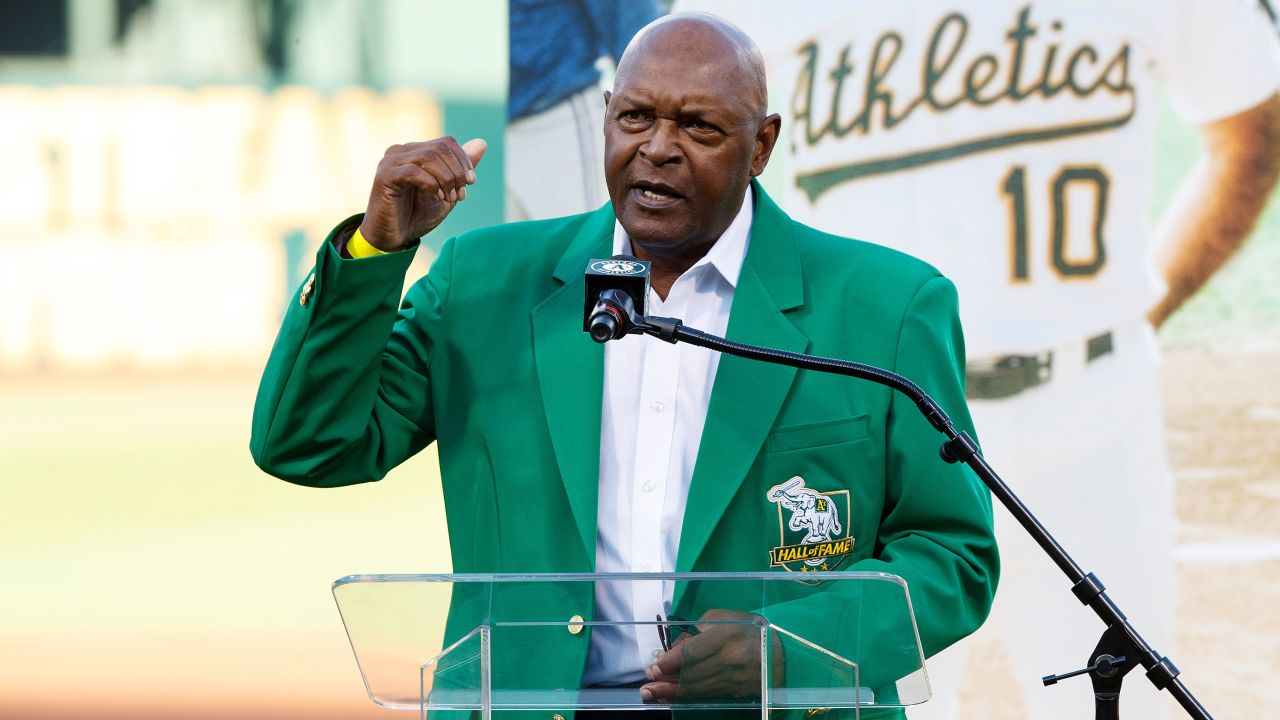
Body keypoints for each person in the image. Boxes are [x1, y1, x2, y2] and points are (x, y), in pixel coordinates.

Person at [251, 13, 998, 717]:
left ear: (761, 144)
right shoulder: (482, 282)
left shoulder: (886, 307)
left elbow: (951, 554)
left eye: (698, 126)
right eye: (635, 117)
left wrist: (791, 647)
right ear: (606, 115)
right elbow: (308, 443)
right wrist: (373, 254)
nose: (658, 147)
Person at [668, 1, 1280, 718]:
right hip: (863, 421)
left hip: (1090, 404)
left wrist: (1132, 315)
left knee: (1119, 702)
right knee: (857, 693)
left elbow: (1250, 126)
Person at [506, 0, 660, 221]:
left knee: (587, 247)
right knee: (500, 252)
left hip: (555, 115)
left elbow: (631, 21)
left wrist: (652, 111)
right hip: (474, 117)